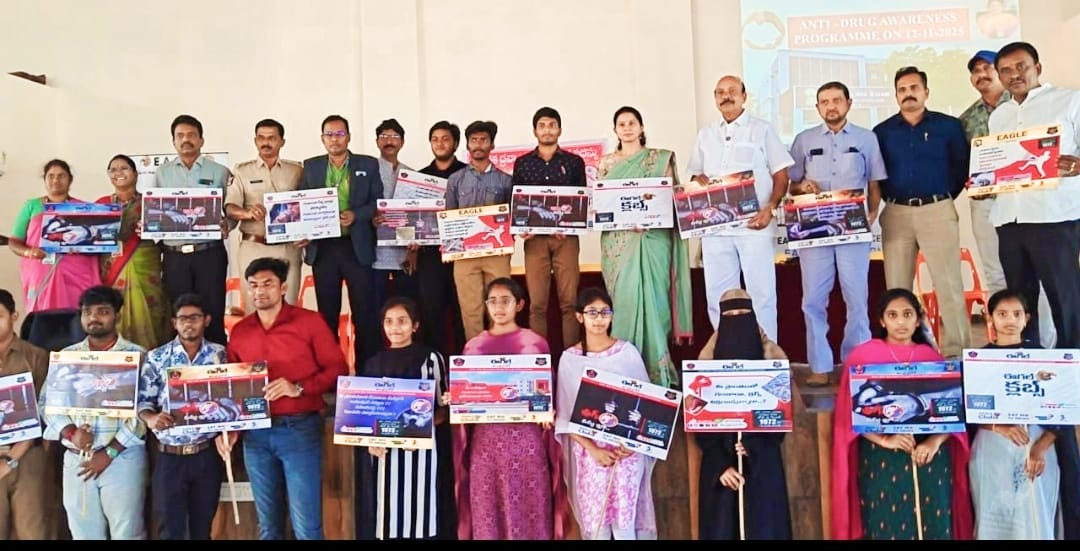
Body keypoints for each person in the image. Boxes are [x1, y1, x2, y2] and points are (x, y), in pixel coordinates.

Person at [217, 257, 347, 540]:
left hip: (299, 428)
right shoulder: (240, 332)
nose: (260, 291)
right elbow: (233, 388)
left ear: (284, 287)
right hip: (255, 435)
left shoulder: (309, 322)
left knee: (307, 527)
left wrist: (298, 388)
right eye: (253, 285)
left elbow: (338, 370)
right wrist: (230, 429)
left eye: (268, 284)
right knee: (268, 526)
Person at [831, 288, 973, 540]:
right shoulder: (862, 357)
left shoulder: (931, 357)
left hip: (929, 458)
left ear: (917, 320)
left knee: (933, 521)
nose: (900, 322)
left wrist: (933, 443)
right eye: (893, 315)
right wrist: (886, 440)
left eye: (907, 314)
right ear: (882, 320)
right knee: (885, 522)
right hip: (880, 458)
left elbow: (950, 413)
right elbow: (848, 418)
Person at [788, 82, 886, 387]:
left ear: (848, 103)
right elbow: (790, 185)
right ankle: (820, 366)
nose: (831, 106)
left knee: (856, 299)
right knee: (813, 301)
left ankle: (856, 363)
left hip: (853, 232)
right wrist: (801, 187)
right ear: (817, 107)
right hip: (814, 233)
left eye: (836, 100)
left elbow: (875, 182)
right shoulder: (803, 140)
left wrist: (872, 214)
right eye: (824, 102)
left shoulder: (866, 139)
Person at [452, 277, 565, 539]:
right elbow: (467, 394)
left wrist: (548, 411)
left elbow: (548, 390)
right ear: (485, 306)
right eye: (492, 301)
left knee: (529, 507)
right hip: (486, 444)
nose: (499, 307)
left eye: (506, 301)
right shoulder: (473, 347)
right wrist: (456, 398)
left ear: (520, 304)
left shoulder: (534, 343)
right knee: (487, 510)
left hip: (525, 441)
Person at [988, 42, 1080, 355]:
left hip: (1054, 217)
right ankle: (1027, 359)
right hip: (1009, 219)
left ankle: (1072, 361)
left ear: (1037, 68)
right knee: (1019, 301)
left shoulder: (1069, 101)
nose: (1014, 74)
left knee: (1064, 296)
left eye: (1021, 66)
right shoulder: (999, 116)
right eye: (1006, 70)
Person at [873, 67, 971, 359]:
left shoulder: (948, 126)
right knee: (897, 289)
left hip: (937, 210)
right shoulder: (882, 132)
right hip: (896, 213)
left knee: (949, 284)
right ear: (896, 96)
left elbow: (961, 168)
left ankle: (957, 354)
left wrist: (940, 198)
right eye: (902, 90)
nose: (908, 94)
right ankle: (901, 353)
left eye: (914, 88)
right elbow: (876, 176)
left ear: (926, 92)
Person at [968, 289, 1080, 539]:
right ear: (989, 318)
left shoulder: (1044, 358)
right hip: (993, 447)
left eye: (1017, 314)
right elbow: (969, 411)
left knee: (1035, 514)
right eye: (1002, 314)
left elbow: (1063, 410)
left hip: (1036, 445)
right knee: (994, 512)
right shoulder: (979, 360)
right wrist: (999, 427)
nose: (1010, 320)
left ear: (1027, 318)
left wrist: (1041, 447)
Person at [688, 75, 793, 340]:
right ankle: (728, 352)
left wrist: (770, 208)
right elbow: (696, 175)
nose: (726, 96)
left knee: (761, 294)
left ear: (744, 96)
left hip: (754, 225)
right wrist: (699, 181)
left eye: (733, 91)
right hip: (716, 228)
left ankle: (768, 354)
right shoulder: (705, 134)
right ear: (715, 98)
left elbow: (781, 175)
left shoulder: (762, 129)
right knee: (719, 296)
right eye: (720, 92)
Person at [40, 285, 148, 540]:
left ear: (117, 316)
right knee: (84, 534)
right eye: (87, 312)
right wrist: (71, 433)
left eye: (103, 311)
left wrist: (109, 453)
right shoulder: (67, 357)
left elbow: (145, 412)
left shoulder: (137, 356)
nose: (94, 318)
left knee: (127, 532)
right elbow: (48, 403)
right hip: (77, 458)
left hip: (122, 458)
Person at [596, 106, 693, 388]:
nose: (627, 128)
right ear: (615, 131)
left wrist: (650, 218)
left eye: (632, 123)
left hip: (653, 240)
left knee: (656, 303)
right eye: (621, 124)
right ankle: (624, 371)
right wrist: (626, 221)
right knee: (624, 303)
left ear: (641, 127)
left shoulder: (660, 159)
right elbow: (603, 204)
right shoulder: (606, 164)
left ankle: (657, 373)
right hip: (620, 243)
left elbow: (670, 199)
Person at [554, 287, 657, 540]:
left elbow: (647, 405)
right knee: (597, 524)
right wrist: (594, 449)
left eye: (604, 312)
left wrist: (631, 444)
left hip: (626, 452)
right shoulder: (569, 359)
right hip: (590, 454)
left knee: (625, 523)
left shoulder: (627, 353)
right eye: (592, 312)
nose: (599, 319)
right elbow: (565, 417)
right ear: (580, 317)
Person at [694, 288, 791, 540]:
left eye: (743, 314)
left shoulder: (773, 363)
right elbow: (699, 426)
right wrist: (720, 465)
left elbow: (779, 423)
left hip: (763, 468)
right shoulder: (704, 366)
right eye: (730, 316)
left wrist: (753, 447)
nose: (737, 321)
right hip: (721, 472)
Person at [136, 293, 228, 540]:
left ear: (206, 320)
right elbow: (143, 402)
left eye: (194, 317)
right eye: (182, 318)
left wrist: (230, 431)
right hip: (170, 455)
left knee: (203, 528)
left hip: (206, 453)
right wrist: (151, 418)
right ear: (174, 323)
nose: (188, 323)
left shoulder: (220, 355)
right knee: (169, 529)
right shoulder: (157, 357)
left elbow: (231, 400)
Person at [354, 297, 447, 540]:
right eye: (389, 321)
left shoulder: (430, 358)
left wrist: (416, 431)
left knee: (419, 516)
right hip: (383, 454)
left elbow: (442, 409)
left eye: (402, 321)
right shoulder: (372, 364)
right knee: (386, 516)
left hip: (420, 453)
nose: (395, 327)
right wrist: (370, 441)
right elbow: (363, 413)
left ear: (415, 325)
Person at [299, 115, 383, 364]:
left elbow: (377, 202)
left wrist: (356, 215)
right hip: (323, 248)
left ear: (348, 137)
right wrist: (301, 231)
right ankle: (331, 369)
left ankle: (367, 369)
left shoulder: (368, 164)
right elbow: (301, 203)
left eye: (339, 134)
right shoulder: (311, 167)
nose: (334, 139)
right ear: (322, 138)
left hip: (355, 246)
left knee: (364, 312)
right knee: (327, 314)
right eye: (329, 134)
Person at [151, 114, 232, 345]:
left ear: (201, 140)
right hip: (175, 256)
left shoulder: (220, 172)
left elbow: (231, 207)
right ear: (174, 141)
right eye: (180, 136)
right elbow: (155, 210)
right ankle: (179, 363)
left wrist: (228, 224)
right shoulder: (162, 173)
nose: (186, 140)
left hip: (209, 253)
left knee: (213, 312)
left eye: (191, 135)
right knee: (178, 313)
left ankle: (216, 360)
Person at [513, 107, 587, 351]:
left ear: (560, 130)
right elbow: (518, 201)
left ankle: (571, 358)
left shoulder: (574, 162)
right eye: (542, 125)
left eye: (552, 125)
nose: (547, 130)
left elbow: (581, 200)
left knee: (569, 303)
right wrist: (521, 227)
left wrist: (568, 224)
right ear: (535, 130)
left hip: (566, 239)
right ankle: (540, 358)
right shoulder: (523, 163)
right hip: (535, 240)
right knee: (537, 305)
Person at [444, 121, 514, 341]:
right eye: (474, 140)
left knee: (499, 306)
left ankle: (500, 350)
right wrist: (449, 246)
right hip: (465, 255)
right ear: (467, 145)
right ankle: (476, 353)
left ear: (492, 145)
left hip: (497, 253)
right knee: (470, 309)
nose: (478, 144)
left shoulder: (506, 180)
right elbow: (448, 216)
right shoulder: (455, 180)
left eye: (483, 140)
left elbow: (513, 217)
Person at [225, 118, 304, 308]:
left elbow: (308, 205)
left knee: (288, 308)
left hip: (287, 248)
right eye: (261, 138)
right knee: (254, 307)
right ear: (255, 140)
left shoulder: (296, 170)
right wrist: (247, 213)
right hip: (254, 246)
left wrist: (309, 232)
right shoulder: (242, 171)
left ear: (282, 142)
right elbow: (230, 207)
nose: (265, 142)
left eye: (271, 138)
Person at [96, 154, 170, 351]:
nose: (118, 173)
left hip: (146, 268)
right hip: (112, 271)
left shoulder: (151, 203)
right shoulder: (100, 205)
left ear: (136, 174)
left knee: (152, 316)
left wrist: (150, 230)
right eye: (113, 170)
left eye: (124, 168)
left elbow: (166, 237)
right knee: (114, 313)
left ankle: (150, 358)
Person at [8, 159, 102, 313]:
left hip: (76, 274)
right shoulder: (32, 206)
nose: (56, 180)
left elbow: (97, 242)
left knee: (76, 316)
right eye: (51, 176)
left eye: (61, 176)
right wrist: (29, 252)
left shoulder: (83, 208)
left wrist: (82, 247)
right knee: (42, 318)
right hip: (40, 272)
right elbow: (14, 242)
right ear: (44, 179)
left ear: (70, 179)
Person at [0, 288, 53, 540]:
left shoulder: (37, 357)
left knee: (32, 529)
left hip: (27, 455)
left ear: (14, 316)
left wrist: (12, 459)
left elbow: (44, 412)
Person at [371, 118, 420, 310]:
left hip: (404, 254)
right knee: (375, 308)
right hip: (375, 254)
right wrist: (371, 218)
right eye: (384, 136)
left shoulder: (412, 175)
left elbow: (417, 215)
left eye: (394, 136)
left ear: (402, 142)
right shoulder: (368, 169)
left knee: (406, 306)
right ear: (377, 141)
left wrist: (414, 249)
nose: (389, 141)